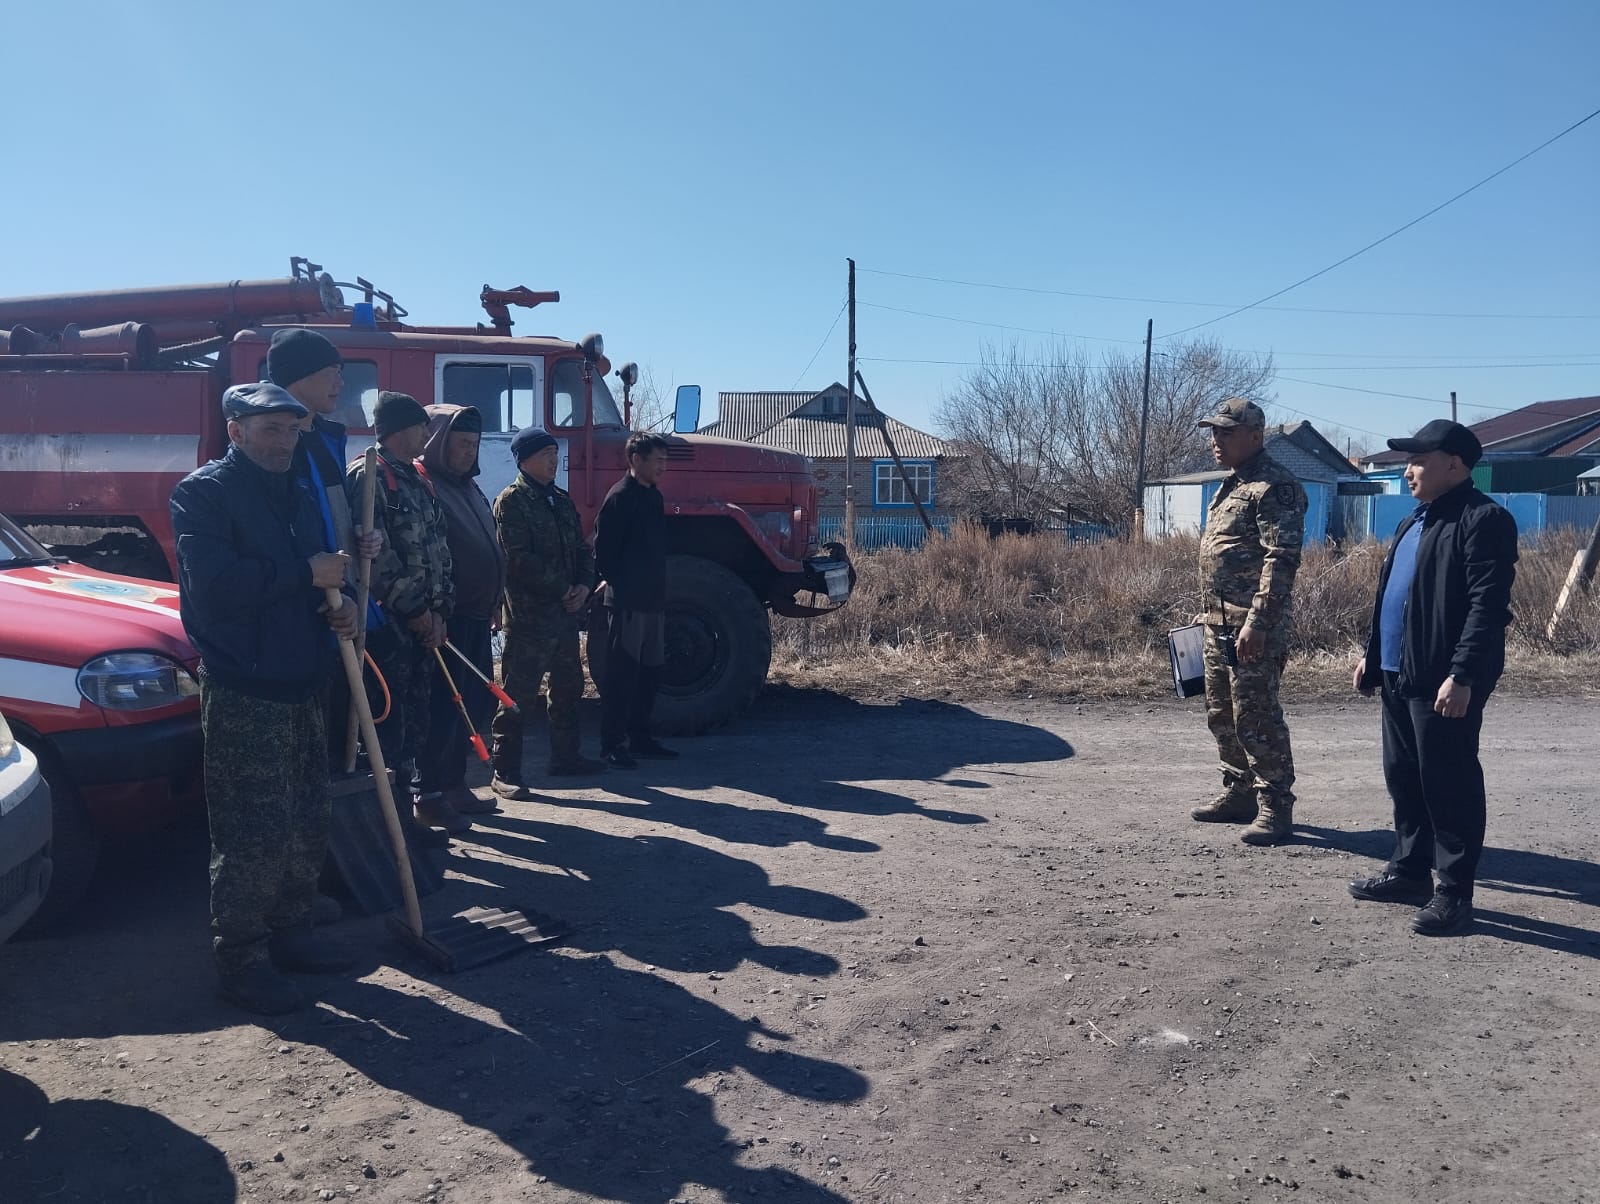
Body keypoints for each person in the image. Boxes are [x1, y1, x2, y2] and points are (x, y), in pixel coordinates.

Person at [170, 382, 359, 1016]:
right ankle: (242, 959)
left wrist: (337, 605)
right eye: (270, 429)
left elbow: (315, 579)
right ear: (236, 432)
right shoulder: (203, 494)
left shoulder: (297, 492)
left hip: (303, 677)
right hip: (246, 687)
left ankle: (291, 930)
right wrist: (308, 573)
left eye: (291, 430)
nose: (284, 442)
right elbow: (216, 589)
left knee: (306, 819)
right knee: (253, 831)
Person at [1349, 419, 1518, 936]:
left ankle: (1455, 894)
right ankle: (1409, 872)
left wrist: (1462, 675)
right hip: (1399, 672)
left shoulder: (1484, 519)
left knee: (1449, 784)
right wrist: (1373, 656)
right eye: (1409, 461)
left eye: (1419, 461)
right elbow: (1394, 596)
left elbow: (1488, 607)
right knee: (1404, 777)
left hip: (1443, 679)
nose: (1408, 470)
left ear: (1455, 465)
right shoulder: (1416, 519)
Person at [1190, 397, 1307, 845]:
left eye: (1226, 432)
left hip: (1252, 628)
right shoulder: (1234, 484)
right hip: (1219, 622)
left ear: (1255, 436)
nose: (1216, 440)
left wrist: (1258, 621)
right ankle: (1239, 792)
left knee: (1256, 715)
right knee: (1221, 712)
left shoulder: (1275, 487)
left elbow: (1281, 559)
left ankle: (1275, 805)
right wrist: (1208, 613)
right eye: (1213, 431)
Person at [345, 392, 462, 833]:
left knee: (416, 724)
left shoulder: (417, 477)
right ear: (398, 429)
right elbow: (375, 557)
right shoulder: (370, 475)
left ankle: (411, 815)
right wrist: (415, 612)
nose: (428, 434)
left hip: (426, 625)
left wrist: (440, 611)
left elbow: (439, 549)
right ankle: (387, 826)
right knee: (387, 729)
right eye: (420, 426)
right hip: (391, 627)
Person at [490, 428, 603, 797]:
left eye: (555, 453)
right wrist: (563, 589)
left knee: (568, 688)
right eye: (545, 454)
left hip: (564, 616)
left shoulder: (561, 500)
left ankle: (566, 757)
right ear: (524, 460)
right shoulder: (511, 501)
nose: (554, 460)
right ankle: (505, 771)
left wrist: (583, 586)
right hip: (529, 620)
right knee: (517, 696)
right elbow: (518, 559)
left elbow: (581, 550)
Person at [415, 404, 506, 816]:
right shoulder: (425, 485)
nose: (470, 452)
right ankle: (430, 792)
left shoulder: (469, 488)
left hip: (476, 615)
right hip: (446, 620)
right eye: (462, 443)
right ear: (438, 442)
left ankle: (454, 784)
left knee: (473, 706)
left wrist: (495, 599)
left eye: (475, 444)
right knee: (444, 709)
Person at [594, 431, 678, 769]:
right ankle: (612, 745)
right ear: (635, 460)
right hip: (628, 604)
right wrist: (623, 588)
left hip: (653, 602)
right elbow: (604, 553)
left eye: (665, 461)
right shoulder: (619, 498)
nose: (663, 467)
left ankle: (641, 738)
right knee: (622, 675)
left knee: (650, 673)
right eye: (657, 460)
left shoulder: (653, 496)